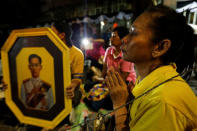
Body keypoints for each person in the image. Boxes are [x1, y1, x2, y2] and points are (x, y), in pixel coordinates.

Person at [105, 5, 197, 131]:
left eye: (134, 32)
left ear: (160, 47)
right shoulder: (146, 79)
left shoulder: (162, 101)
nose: (124, 39)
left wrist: (119, 105)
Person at [51, 21, 84, 101]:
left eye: (52, 33)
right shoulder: (49, 51)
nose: (49, 36)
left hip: (67, 91)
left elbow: (77, 78)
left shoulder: (77, 54)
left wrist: (73, 85)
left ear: (62, 35)